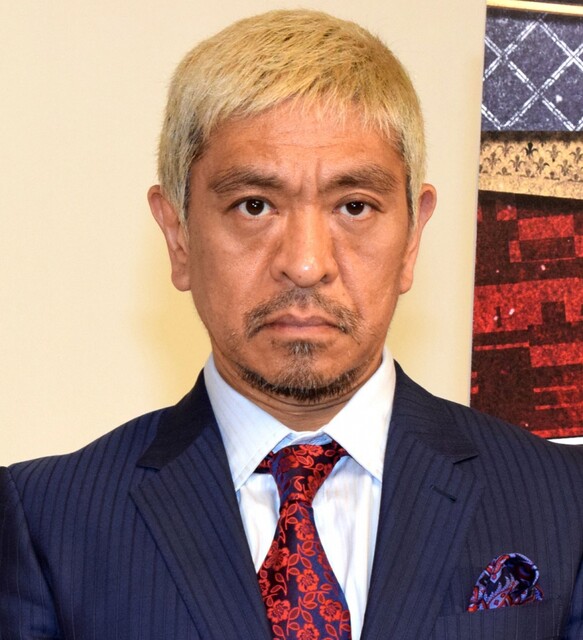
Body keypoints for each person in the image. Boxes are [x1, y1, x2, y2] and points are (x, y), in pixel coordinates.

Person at [1, 9, 582, 640]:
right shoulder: (47, 523)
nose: (305, 264)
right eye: (254, 206)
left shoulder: (564, 503)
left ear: (413, 236)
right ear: (178, 235)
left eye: (354, 206)